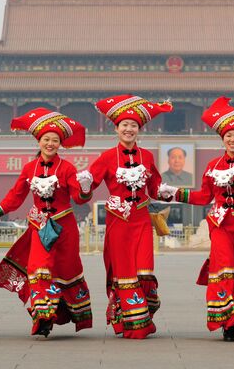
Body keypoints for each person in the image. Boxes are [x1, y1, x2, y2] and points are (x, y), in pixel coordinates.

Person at [160, 97, 234, 341]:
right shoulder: (213, 165)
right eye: (228, 136)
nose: (232, 140)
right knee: (224, 268)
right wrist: (175, 194)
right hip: (220, 225)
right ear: (222, 138)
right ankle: (228, 319)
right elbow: (204, 196)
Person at [0, 108, 93, 337]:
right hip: (40, 228)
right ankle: (43, 317)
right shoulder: (28, 168)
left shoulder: (67, 168)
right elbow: (14, 198)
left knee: (65, 271)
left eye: (55, 140)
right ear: (39, 141)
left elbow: (78, 197)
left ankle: (61, 312)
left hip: (64, 229)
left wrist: (84, 189)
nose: (50, 143)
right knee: (38, 269)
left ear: (60, 144)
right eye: (46, 139)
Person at [83, 94, 172, 339]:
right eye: (125, 125)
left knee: (144, 271)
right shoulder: (107, 157)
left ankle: (143, 311)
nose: (129, 129)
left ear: (139, 129)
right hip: (118, 221)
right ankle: (132, 323)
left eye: (133, 125)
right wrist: (84, 184)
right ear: (116, 128)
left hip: (141, 220)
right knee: (124, 272)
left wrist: (165, 192)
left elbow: (154, 189)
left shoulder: (148, 157)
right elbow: (87, 188)